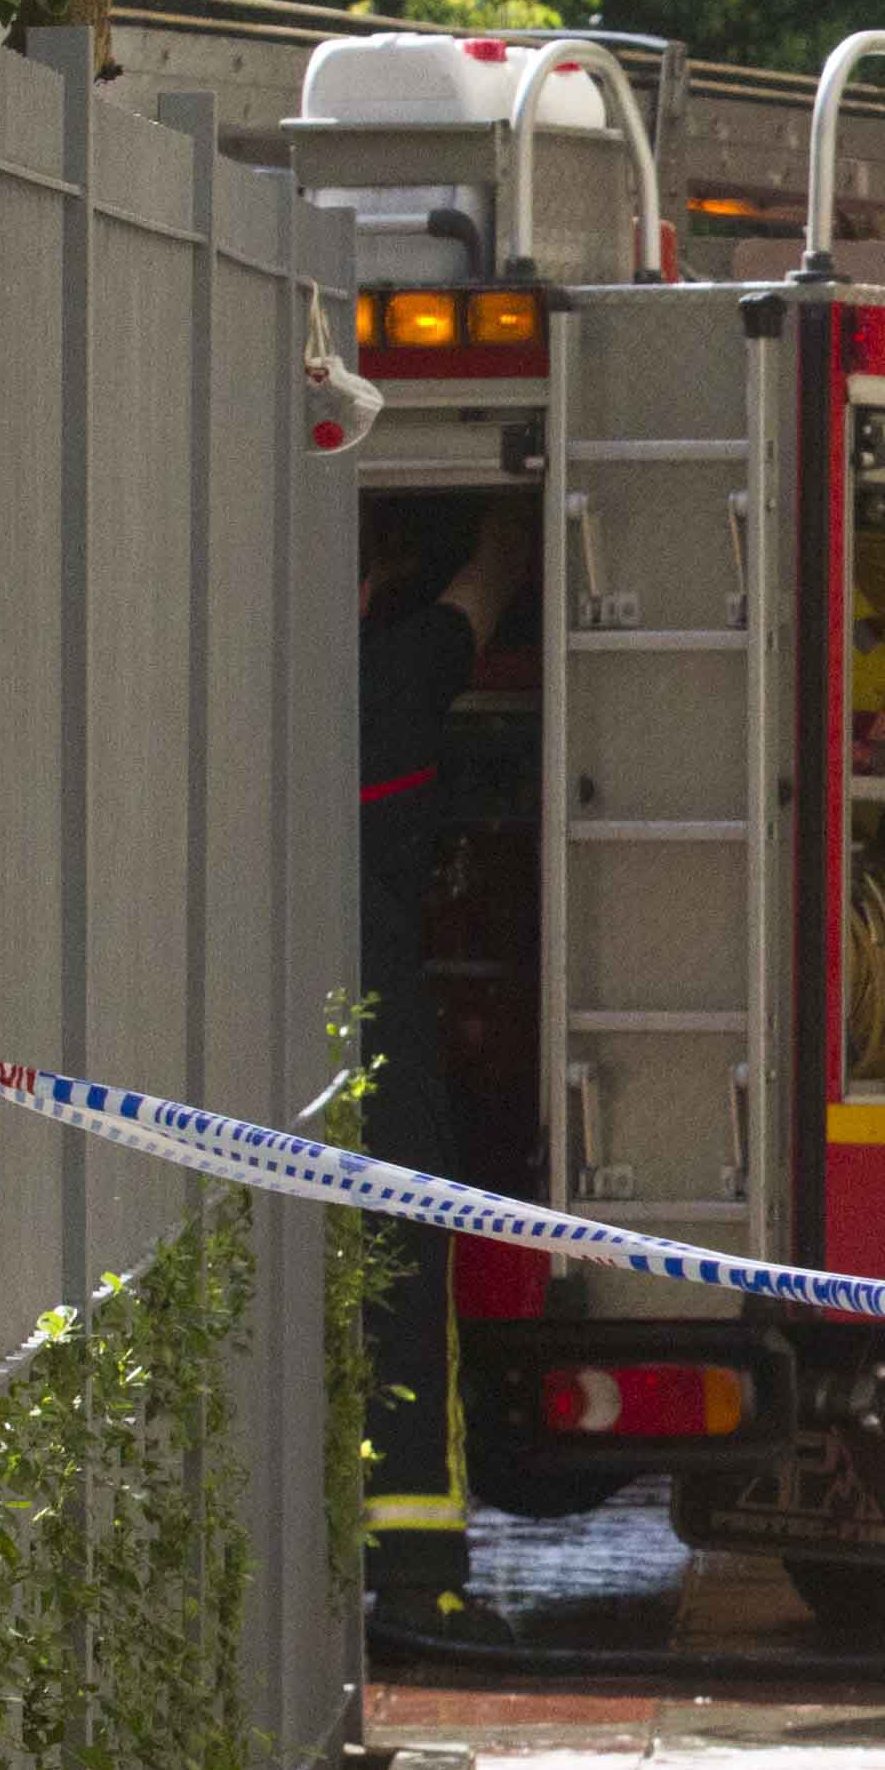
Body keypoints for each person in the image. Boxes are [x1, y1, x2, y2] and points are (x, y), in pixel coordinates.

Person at [357, 499, 533, 1602]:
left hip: (272, 1056)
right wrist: (499, 557)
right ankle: (418, 1566)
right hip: (379, 1048)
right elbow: (477, 604)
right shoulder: (384, 685)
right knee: (407, 1298)